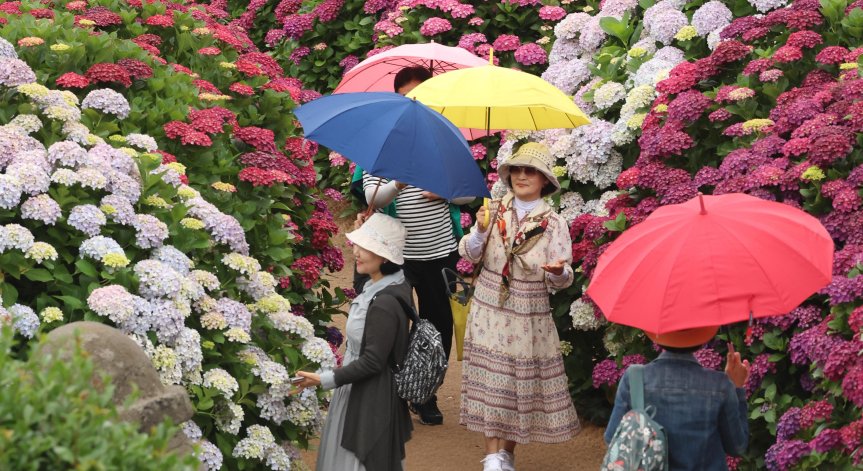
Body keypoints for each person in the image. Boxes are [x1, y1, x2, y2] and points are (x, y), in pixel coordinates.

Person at [359, 65, 474, 425]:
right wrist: (399, 182)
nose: (415, 102)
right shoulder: (381, 142)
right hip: (395, 255)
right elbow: (371, 197)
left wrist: (447, 193)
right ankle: (390, 394)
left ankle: (426, 394)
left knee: (436, 325)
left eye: (422, 96)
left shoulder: (444, 139)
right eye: (408, 96)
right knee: (391, 323)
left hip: (440, 252)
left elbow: (471, 191)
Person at [458, 142, 580, 471]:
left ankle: (503, 454)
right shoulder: (493, 209)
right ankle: (493, 456)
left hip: (528, 310)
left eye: (530, 171)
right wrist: (481, 230)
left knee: (514, 385)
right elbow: (469, 254)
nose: (522, 176)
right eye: (517, 169)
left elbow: (564, 275)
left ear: (544, 180)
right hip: (489, 303)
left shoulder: (554, 223)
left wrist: (558, 272)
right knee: (492, 381)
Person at [294, 213, 413, 471]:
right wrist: (366, 228)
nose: (356, 252)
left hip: (369, 396)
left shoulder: (385, 303)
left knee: (355, 462)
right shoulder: (391, 283)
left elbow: (372, 362)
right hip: (365, 390)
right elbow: (362, 283)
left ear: (384, 257)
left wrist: (323, 378)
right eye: (358, 244)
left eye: (366, 247)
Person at [604, 326, 751, 470]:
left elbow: (612, 438)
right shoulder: (720, 385)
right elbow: (737, 446)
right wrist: (737, 386)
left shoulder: (635, 378)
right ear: (703, 333)